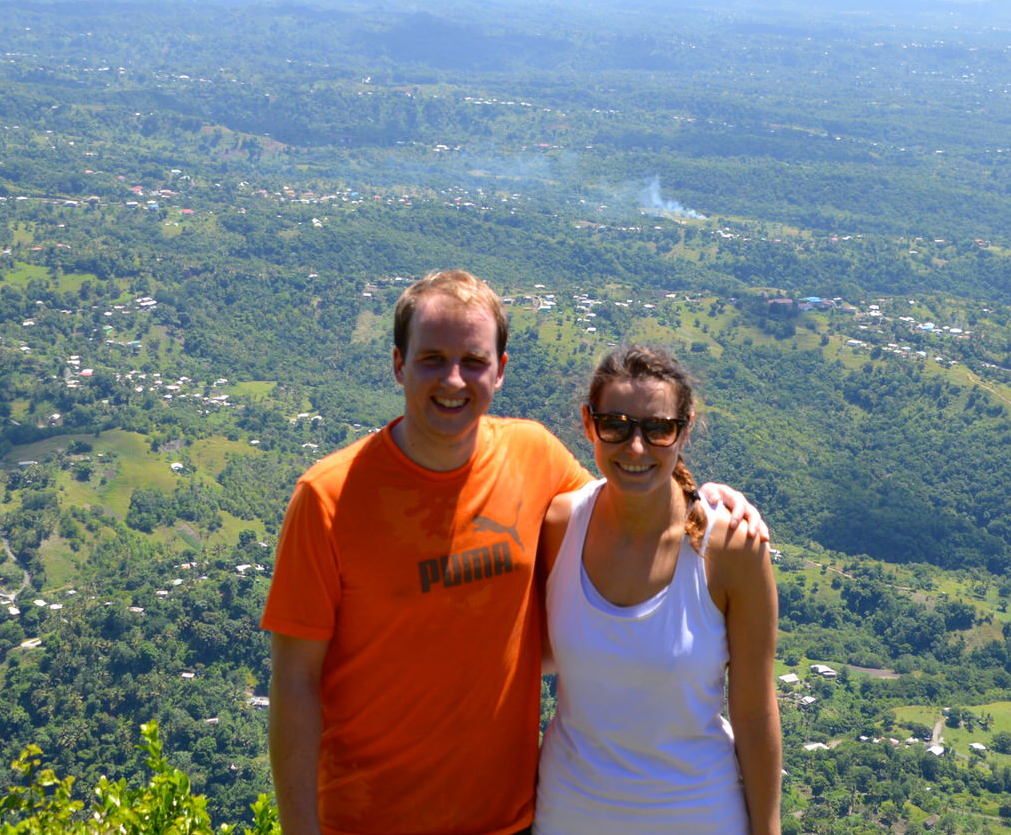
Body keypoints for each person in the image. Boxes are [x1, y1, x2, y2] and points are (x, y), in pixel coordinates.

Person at [262, 271, 763, 835]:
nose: (454, 379)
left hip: (515, 818)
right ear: (399, 364)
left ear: (500, 370)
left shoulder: (534, 457)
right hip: (368, 819)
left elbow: (632, 492)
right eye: (432, 359)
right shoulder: (327, 499)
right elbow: (294, 682)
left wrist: (711, 497)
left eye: (473, 361)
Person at [534, 344, 781, 835]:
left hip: (697, 815)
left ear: (684, 431)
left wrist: (768, 828)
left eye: (658, 428)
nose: (636, 447)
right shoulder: (560, 524)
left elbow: (753, 713)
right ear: (589, 424)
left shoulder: (732, 549)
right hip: (567, 813)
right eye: (616, 425)